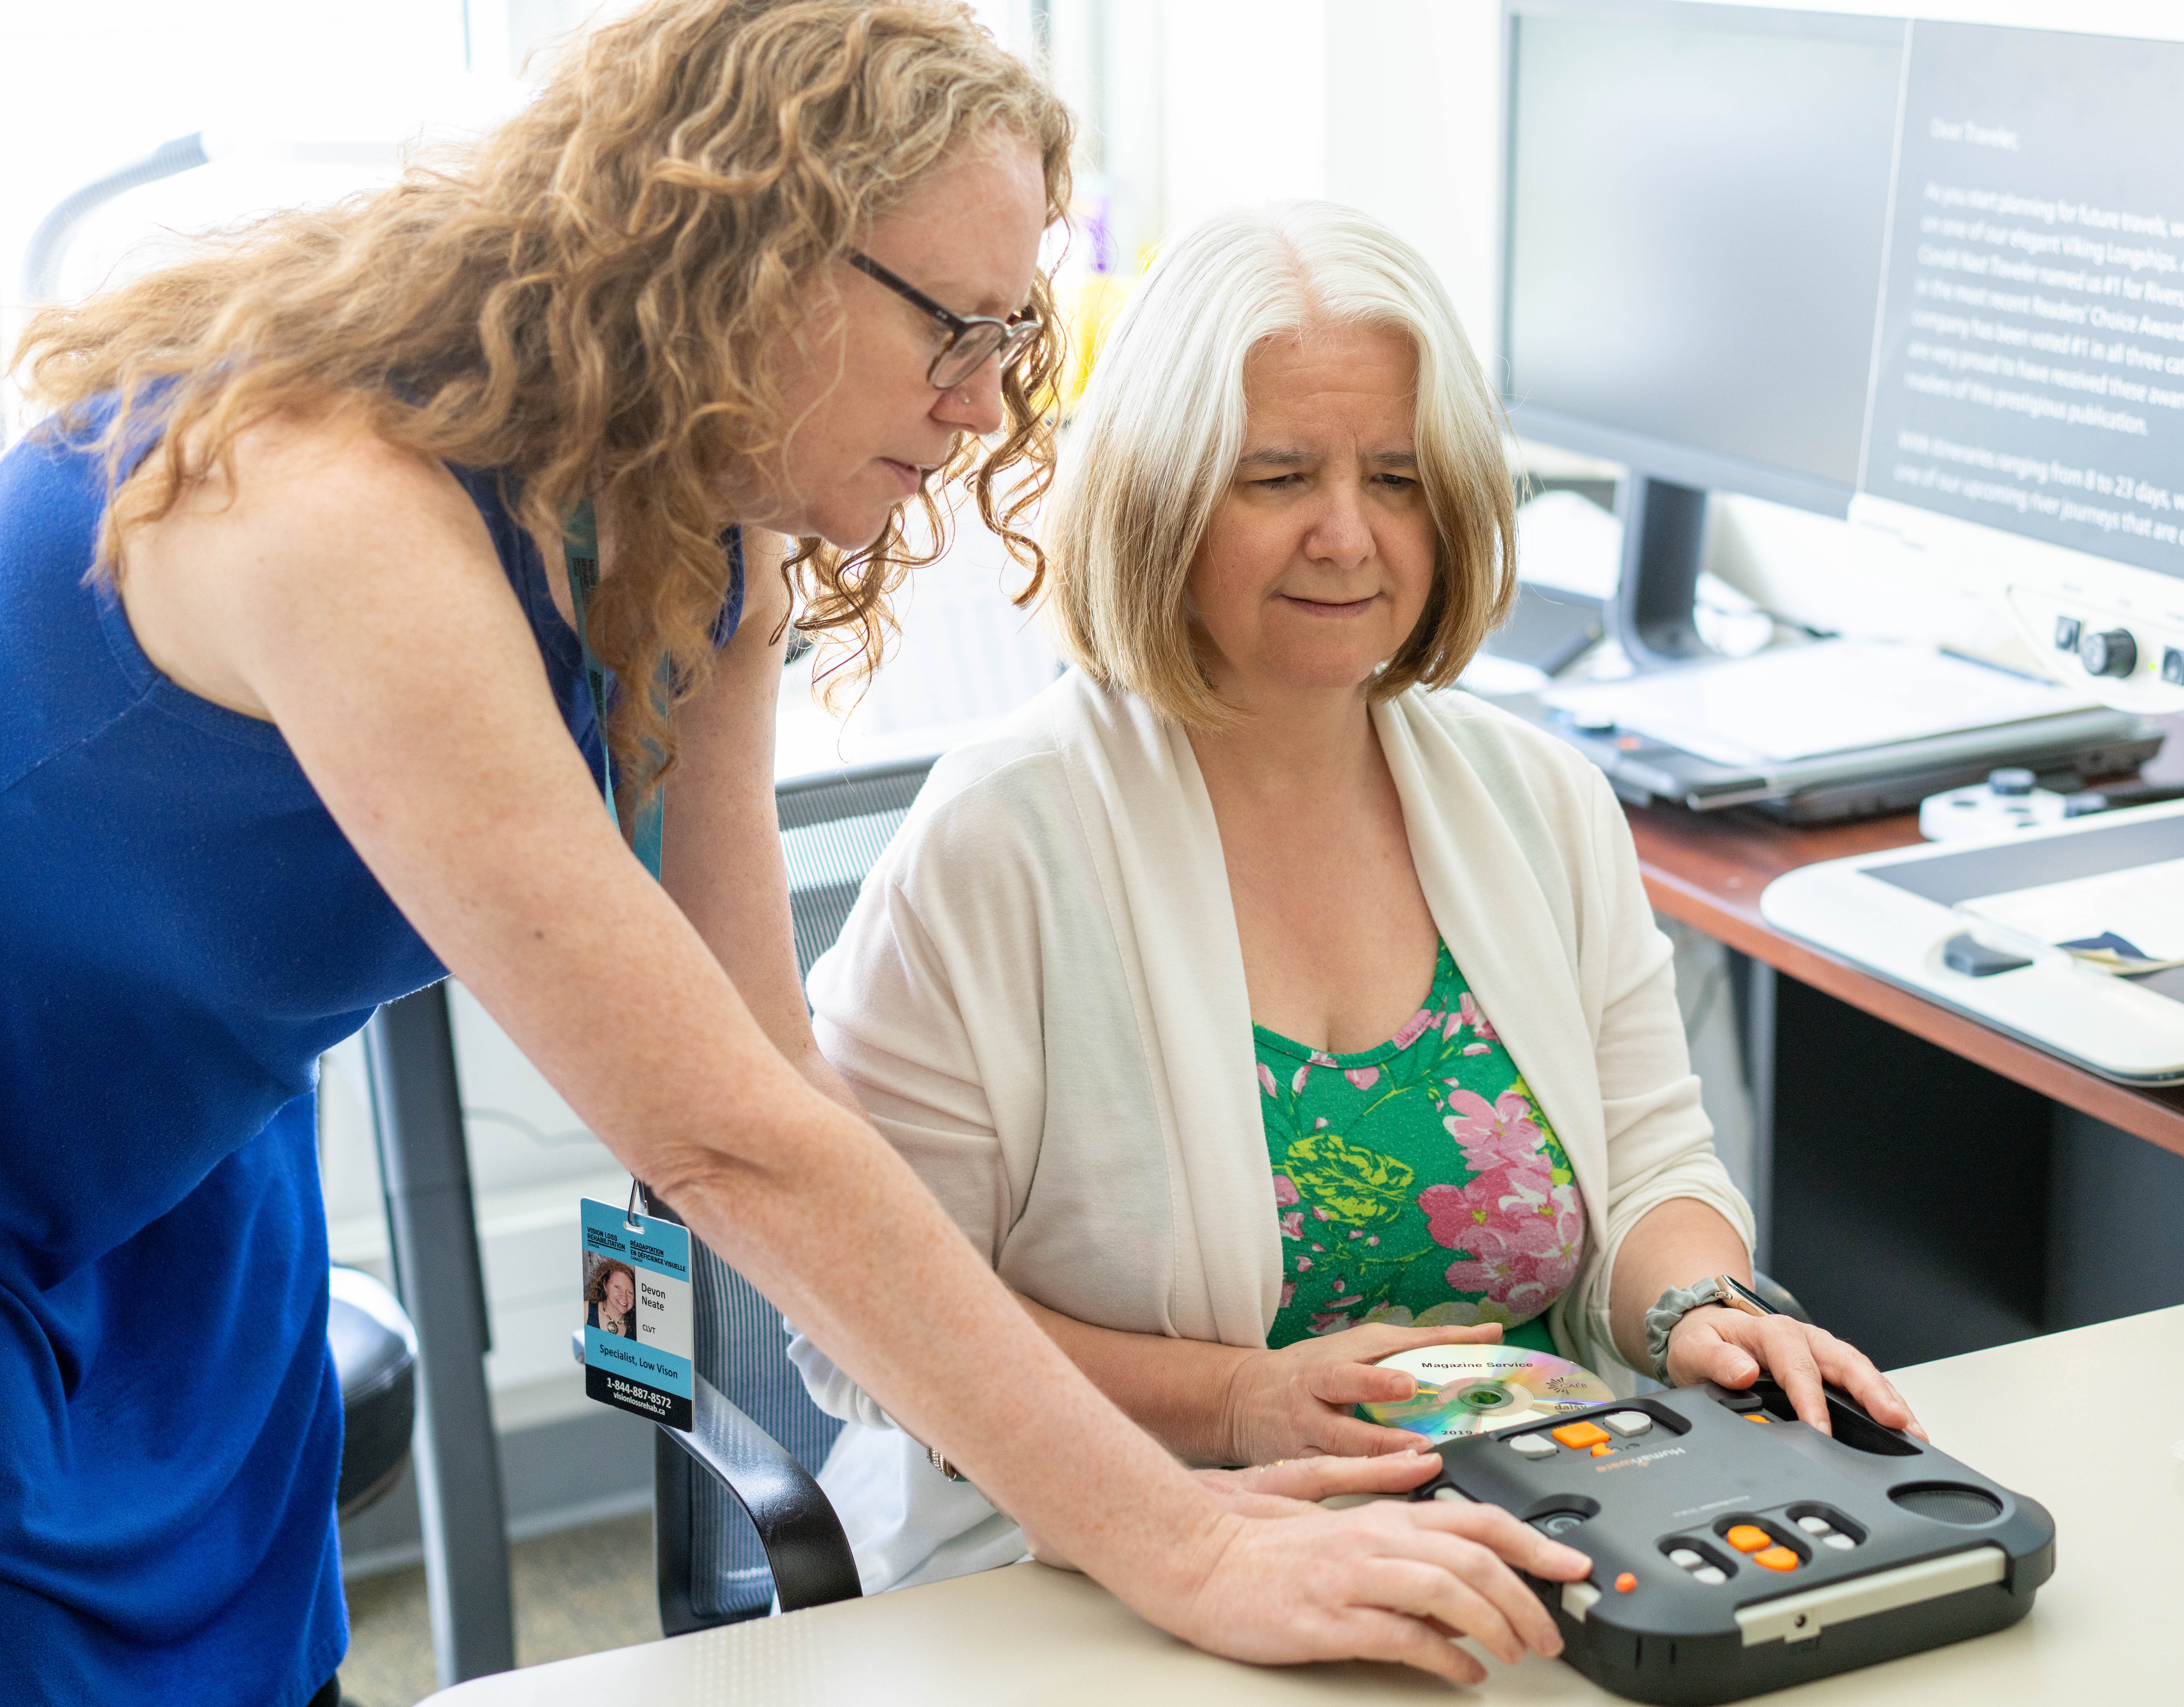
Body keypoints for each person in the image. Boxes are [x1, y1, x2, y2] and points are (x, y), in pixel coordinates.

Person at [0, 8, 1589, 1700]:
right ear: (739, 251)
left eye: (1011, 333)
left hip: (172, 1168)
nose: (976, 408)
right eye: (950, 330)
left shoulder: (699, 525)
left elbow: (766, 1080)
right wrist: (1190, 1538)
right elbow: (717, 1140)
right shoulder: (333, 512)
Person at [794, 201, 1922, 1591]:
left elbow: (1650, 1171)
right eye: (1277, 477)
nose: (1348, 536)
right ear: (1159, 494)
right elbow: (873, 1328)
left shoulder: (1538, 797)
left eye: (1395, 477)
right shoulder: (1001, 840)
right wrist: (1228, 1397)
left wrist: (1695, 1307)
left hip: (1539, 1526)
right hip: (1099, 1551)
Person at [587, 1259, 639, 1341]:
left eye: (630, 1292)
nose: (624, 1297)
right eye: (618, 1287)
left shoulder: (638, 1329)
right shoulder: (586, 1311)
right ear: (605, 1286)